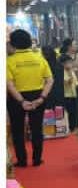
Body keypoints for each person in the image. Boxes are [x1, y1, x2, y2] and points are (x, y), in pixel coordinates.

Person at [6, 30, 54, 167]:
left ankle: (22, 160)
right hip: (38, 95)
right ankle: (37, 159)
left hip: (16, 98)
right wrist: (42, 98)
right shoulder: (39, 58)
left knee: (17, 130)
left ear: (13, 44)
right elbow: (50, 80)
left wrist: (21, 101)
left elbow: (9, 84)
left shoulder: (9, 61)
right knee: (37, 128)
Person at [41, 46, 65, 111]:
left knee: (47, 115)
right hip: (59, 96)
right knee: (58, 116)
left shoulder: (44, 66)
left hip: (46, 95)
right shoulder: (60, 65)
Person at [60, 54, 78, 132]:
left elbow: (75, 83)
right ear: (63, 63)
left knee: (73, 113)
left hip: (73, 95)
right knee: (65, 113)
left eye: (70, 62)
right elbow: (68, 82)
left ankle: (72, 129)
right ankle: (65, 129)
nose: (70, 64)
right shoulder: (61, 72)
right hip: (65, 96)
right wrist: (70, 71)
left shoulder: (71, 71)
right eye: (68, 62)